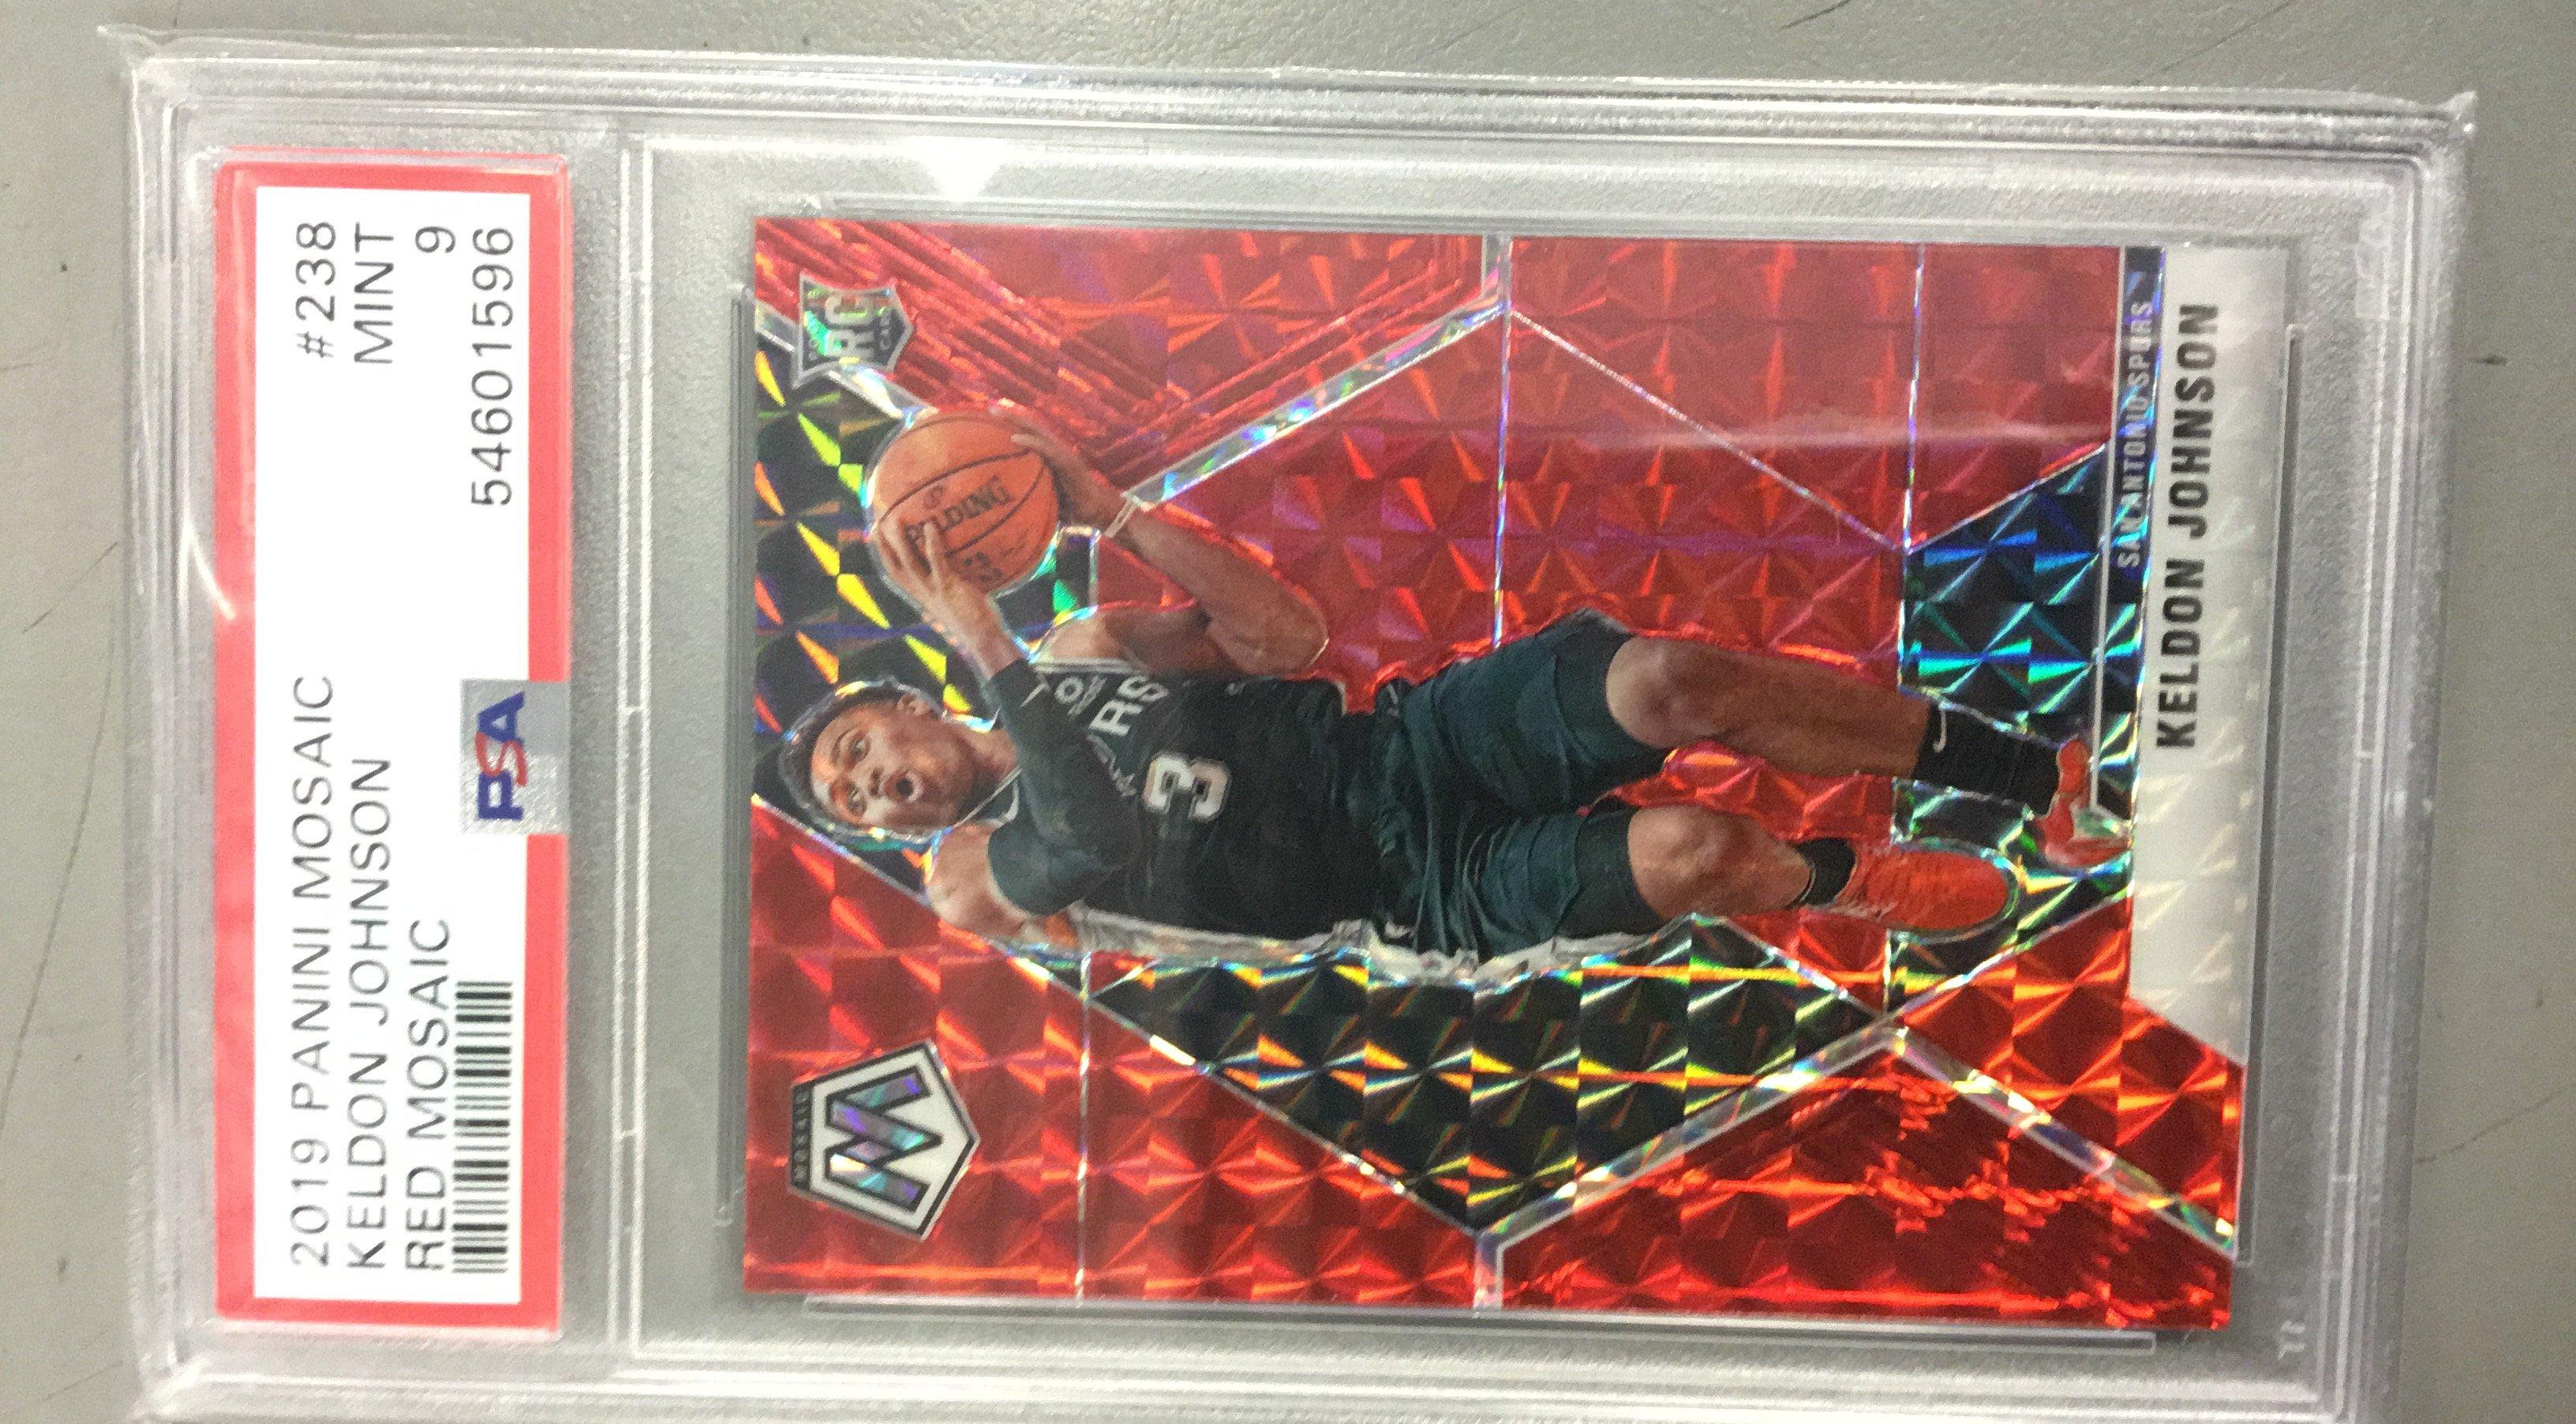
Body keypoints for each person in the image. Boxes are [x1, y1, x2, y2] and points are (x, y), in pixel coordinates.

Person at [776, 414, 2125, 963]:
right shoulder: (968, 880)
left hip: (1408, 743)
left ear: (902, 706)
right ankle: (1846, 877)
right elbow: (1086, 831)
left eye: (856, 752)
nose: (873, 787)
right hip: (1406, 889)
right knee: (1696, 850)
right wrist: (986, 641)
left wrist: (1109, 508)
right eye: (854, 803)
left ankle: (2032, 776)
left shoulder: (1079, 653)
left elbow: (1285, 637)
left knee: (1671, 677)